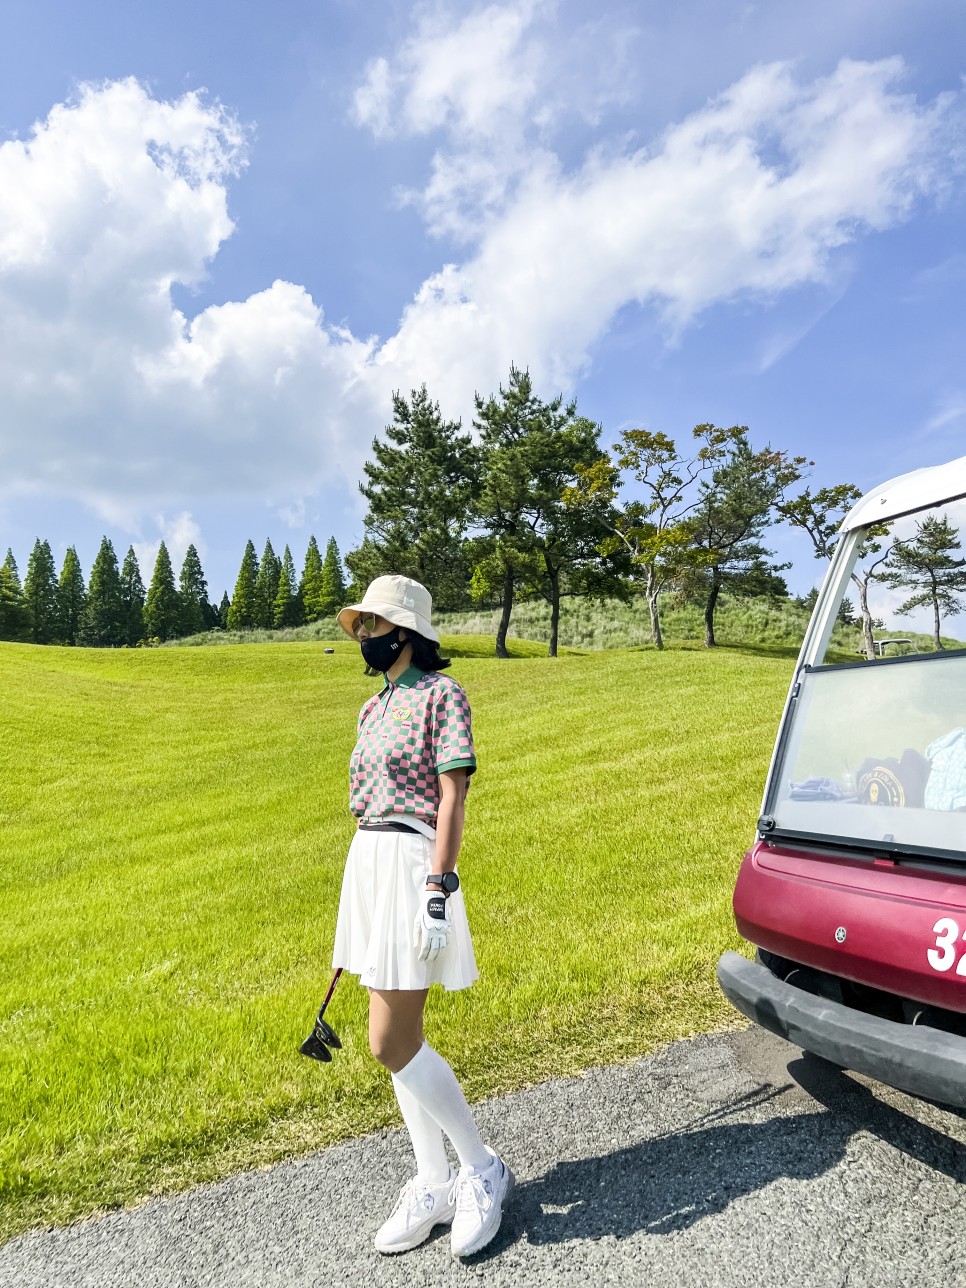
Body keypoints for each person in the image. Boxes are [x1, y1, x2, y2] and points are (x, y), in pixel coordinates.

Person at [332, 574, 513, 1258]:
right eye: (363, 629)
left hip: (414, 865)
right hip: (370, 864)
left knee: (388, 1041)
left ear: (407, 631)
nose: (367, 639)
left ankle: (481, 1167)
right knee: (400, 1040)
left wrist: (437, 887)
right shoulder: (370, 711)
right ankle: (433, 1181)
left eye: (376, 628)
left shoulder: (444, 695)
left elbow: (451, 800)